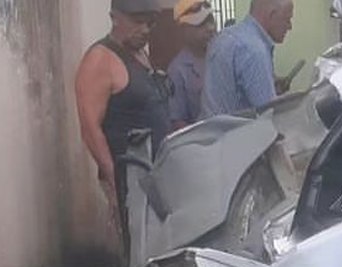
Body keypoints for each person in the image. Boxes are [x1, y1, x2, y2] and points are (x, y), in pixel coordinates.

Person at [75, 0, 171, 246]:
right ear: (114, 17)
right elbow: (90, 129)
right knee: (138, 252)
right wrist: (116, 183)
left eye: (150, 22)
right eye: (137, 21)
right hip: (131, 178)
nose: (145, 29)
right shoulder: (100, 59)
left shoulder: (140, 54)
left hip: (157, 175)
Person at [202, 0, 294, 117]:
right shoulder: (254, 50)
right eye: (287, 19)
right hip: (234, 133)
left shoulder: (224, 37)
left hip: (209, 130)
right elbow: (269, 114)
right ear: (272, 14)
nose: (290, 27)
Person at [168, 0, 217, 131]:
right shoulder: (177, 71)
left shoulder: (222, 56)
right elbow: (177, 122)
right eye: (201, 24)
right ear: (183, 29)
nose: (210, 28)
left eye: (211, 20)